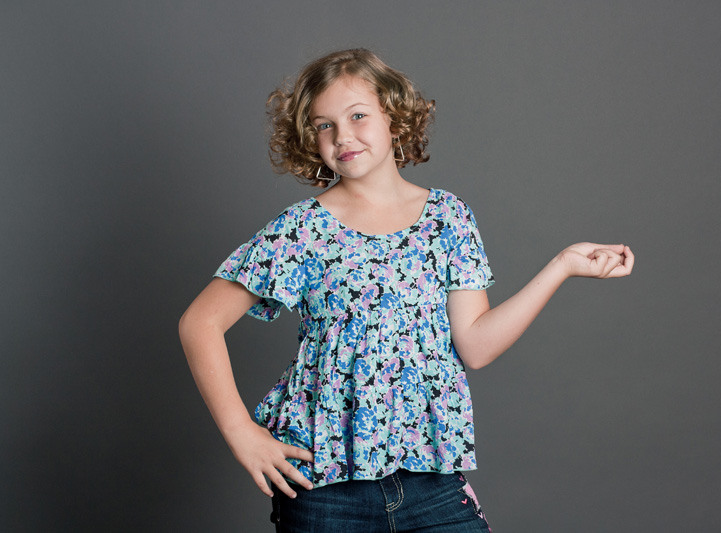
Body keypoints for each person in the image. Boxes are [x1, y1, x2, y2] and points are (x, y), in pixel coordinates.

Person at [179, 48, 634, 532]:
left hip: (430, 482)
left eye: (358, 116)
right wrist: (241, 433)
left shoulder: (447, 217)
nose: (342, 135)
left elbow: (476, 345)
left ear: (394, 119)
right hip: (324, 489)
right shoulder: (302, 230)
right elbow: (200, 322)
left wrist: (562, 266)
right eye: (324, 125)